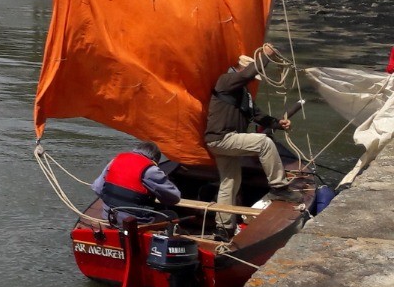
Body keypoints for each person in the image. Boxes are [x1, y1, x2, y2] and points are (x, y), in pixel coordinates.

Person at [204, 43, 300, 241]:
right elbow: (245, 76)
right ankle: (279, 188)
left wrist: (278, 124)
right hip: (222, 138)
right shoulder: (226, 80)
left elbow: (258, 116)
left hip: (224, 141)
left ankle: (224, 228)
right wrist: (265, 56)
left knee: (230, 182)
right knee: (264, 143)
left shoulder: (243, 94)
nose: (252, 80)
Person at [91, 140, 181, 225]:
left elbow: (97, 188)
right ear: (154, 160)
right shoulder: (151, 170)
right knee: (171, 215)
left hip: (108, 217)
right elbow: (175, 198)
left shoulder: (115, 161)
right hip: (136, 222)